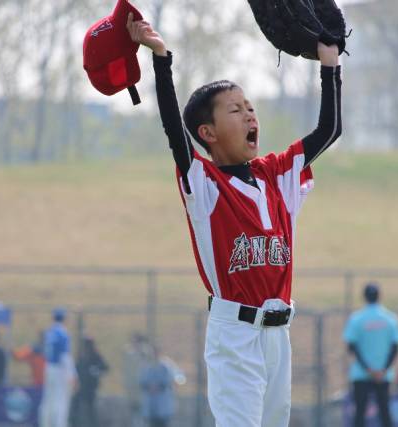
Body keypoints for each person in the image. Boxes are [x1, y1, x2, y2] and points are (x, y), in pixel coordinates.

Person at [126, 6, 342, 425]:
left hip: (278, 336)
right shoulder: (204, 185)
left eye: (250, 106)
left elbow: (330, 129)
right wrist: (160, 57)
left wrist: (329, 64)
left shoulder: (277, 174)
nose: (249, 114)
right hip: (236, 336)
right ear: (207, 133)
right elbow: (175, 131)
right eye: (235, 110)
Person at [343, 282, 398, 427]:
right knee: (385, 413)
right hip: (383, 374)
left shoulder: (357, 318)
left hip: (361, 373)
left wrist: (367, 369)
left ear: (364, 297)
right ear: (379, 296)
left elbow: (352, 347)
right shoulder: (390, 318)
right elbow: (396, 347)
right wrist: (383, 369)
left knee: (360, 414)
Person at [38, 308, 76, 427]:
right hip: (59, 369)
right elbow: (65, 356)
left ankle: (45, 423)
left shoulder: (49, 332)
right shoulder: (62, 333)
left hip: (49, 367)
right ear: (64, 319)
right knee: (60, 400)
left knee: (48, 399)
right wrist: (72, 375)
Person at [139, 345, 183, 427]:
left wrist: (158, 387)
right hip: (150, 405)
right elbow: (142, 382)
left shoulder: (165, 365)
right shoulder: (146, 365)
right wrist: (149, 387)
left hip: (163, 404)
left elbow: (171, 380)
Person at [70, 337, 109, 427]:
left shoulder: (95, 356)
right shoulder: (82, 356)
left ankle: (94, 424)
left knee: (91, 409)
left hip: (91, 388)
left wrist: (96, 370)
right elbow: (77, 367)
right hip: (81, 387)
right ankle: (73, 423)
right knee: (75, 405)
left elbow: (105, 367)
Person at [123, 333, 153, 427]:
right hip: (132, 389)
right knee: (134, 414)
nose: (134, 344)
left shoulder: (147, 355)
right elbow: (127, 372)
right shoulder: (129, 355)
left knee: (144, 415)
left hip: (144, 390)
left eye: (137, 342)